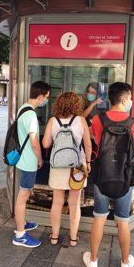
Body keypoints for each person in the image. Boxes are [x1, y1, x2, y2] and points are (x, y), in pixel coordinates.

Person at [83, 82, 134, 267]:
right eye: (130, 98)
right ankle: (125, 264)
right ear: (124, 100)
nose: (131, 101)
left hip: (102, 175)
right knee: (123, 221)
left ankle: (93, 260)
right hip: (124, 178)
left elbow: (96, 141)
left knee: (99, 217)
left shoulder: (99, 120)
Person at [42, 92, 92, 247]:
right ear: (76, 105)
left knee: (57, 202)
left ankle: (55, 236)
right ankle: (73, 238)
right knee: (74, 203)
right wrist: (88, 162)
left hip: (58, 166)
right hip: (77, 166)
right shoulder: (81, 120)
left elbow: (45, 144)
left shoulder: (52, 121)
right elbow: (88, 145)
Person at [12, 80, 51, 248]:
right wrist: (40, 159)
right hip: (29, 162)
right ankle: (20, 235)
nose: (47, 100)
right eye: (47, 97)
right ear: (41, 96)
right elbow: (35, 143)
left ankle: (22, 222)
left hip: (23, 159)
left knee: (23, 194)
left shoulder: (23, 108)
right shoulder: (31, 115)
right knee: (23, 196)